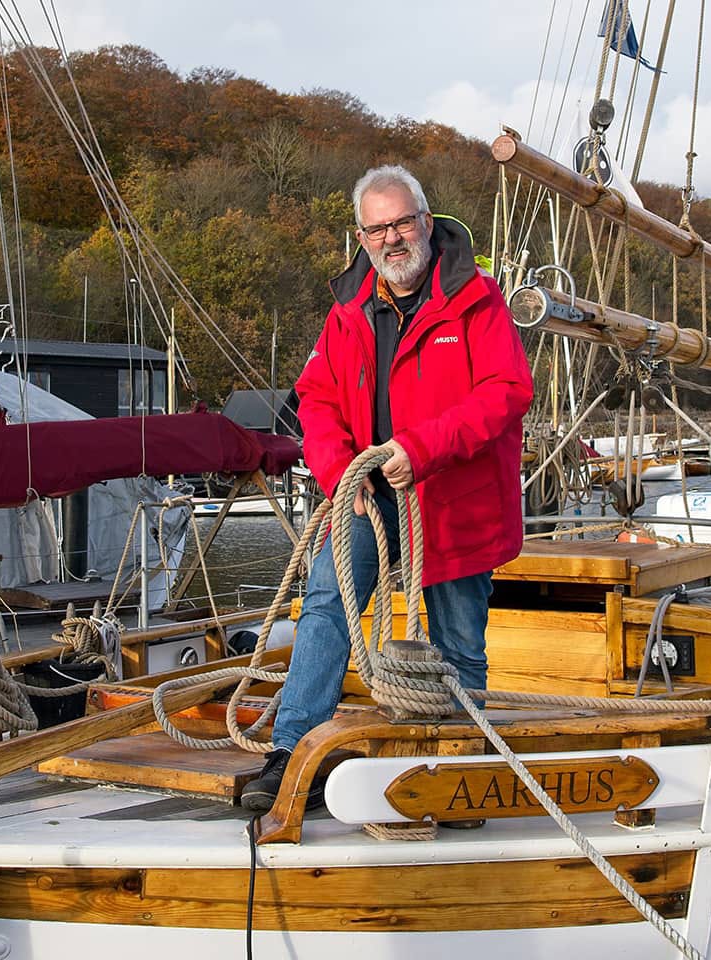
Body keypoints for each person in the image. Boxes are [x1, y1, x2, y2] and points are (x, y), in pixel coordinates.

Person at [241, 165, 533, 812]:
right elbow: (314, 398)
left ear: (426, 223)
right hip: (366, 496)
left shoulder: (477, 300)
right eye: (378, 228)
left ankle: (457, 773)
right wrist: (339, 469)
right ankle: (294, 753)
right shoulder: (347, 310)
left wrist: (420, 449)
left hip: (453, 501)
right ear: (361, 235)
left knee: (458, 639)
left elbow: (507, 392)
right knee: (324, 607)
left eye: (402, 223)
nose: (392, 238)